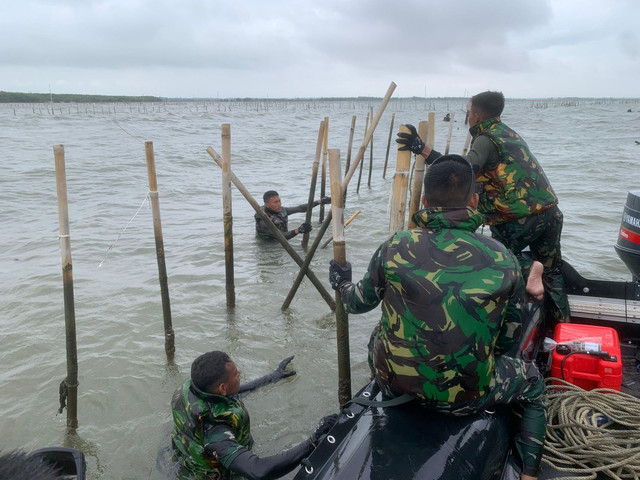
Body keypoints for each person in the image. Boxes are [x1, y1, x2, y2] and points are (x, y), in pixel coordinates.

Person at [329, 156, 547, 480]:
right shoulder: (503, 258)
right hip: (465, 399)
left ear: (424, 201)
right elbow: (508, 340)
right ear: (474, 199)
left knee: (380, 331)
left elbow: (356, 303)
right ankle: (529, 472)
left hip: (392, 384)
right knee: (531, 381)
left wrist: (341, 281)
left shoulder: (395, 246)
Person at [397, 90, 569, 321]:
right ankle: (560, 329)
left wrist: (423, 149)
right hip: (550, 212)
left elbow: (461, 171)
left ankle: (528, 269)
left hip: (518, 219)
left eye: (469, 112)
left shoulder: (485, 138)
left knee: (497, 261)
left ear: (477, 115)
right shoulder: (509, 133)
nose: (468, 117)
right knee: (553, 271)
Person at [171, 351, 337, 480]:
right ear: (222, 388)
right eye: (236, 374)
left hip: (187, 449)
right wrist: (312, 442)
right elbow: (257, 471)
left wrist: (272, 377)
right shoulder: (214, 429)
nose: (240, 373)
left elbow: (231, 393)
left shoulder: (195, 386)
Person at [255, 190, 330, 240]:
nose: (279, 204)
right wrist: (298, 230)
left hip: (286, 238)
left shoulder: (281, 210)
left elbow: (300, 208)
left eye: (279, 201)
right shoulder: (263, 220)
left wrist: (320, 201)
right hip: (269, 246)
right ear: (267, 205)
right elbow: (280, 236)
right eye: (275, 202)